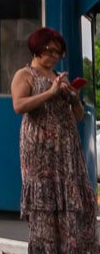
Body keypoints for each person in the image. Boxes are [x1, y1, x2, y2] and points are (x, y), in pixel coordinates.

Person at [11, 27, 97, 253]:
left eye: (59, 52)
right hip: (40, 152)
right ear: (36, 49)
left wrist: (74, 98)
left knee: (75, 206)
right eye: (50, 51)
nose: (54, 56)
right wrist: (50, 92)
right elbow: (19, 105)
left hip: (67, 151)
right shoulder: (25, 75)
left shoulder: (59, 77)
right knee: (45, 210)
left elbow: (78, 117)